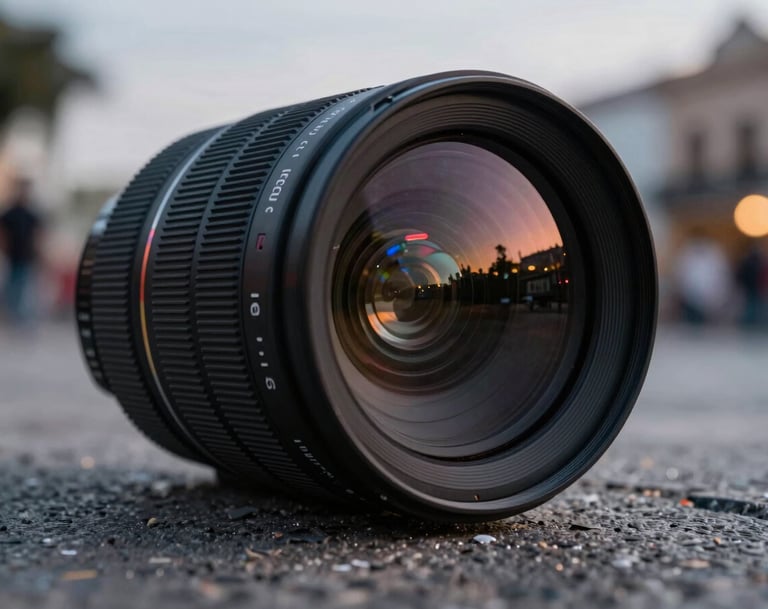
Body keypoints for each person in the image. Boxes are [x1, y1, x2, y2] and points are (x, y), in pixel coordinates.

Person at [0, 177, 43, 325]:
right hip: (13, 255)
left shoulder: (31, 214)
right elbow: (3, 233)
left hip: (27, 255)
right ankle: (12, 314)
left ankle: (19, 316)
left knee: (24, 286)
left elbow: (38, 234)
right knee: (13, 285)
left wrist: (38, 252)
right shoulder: (10, 213)